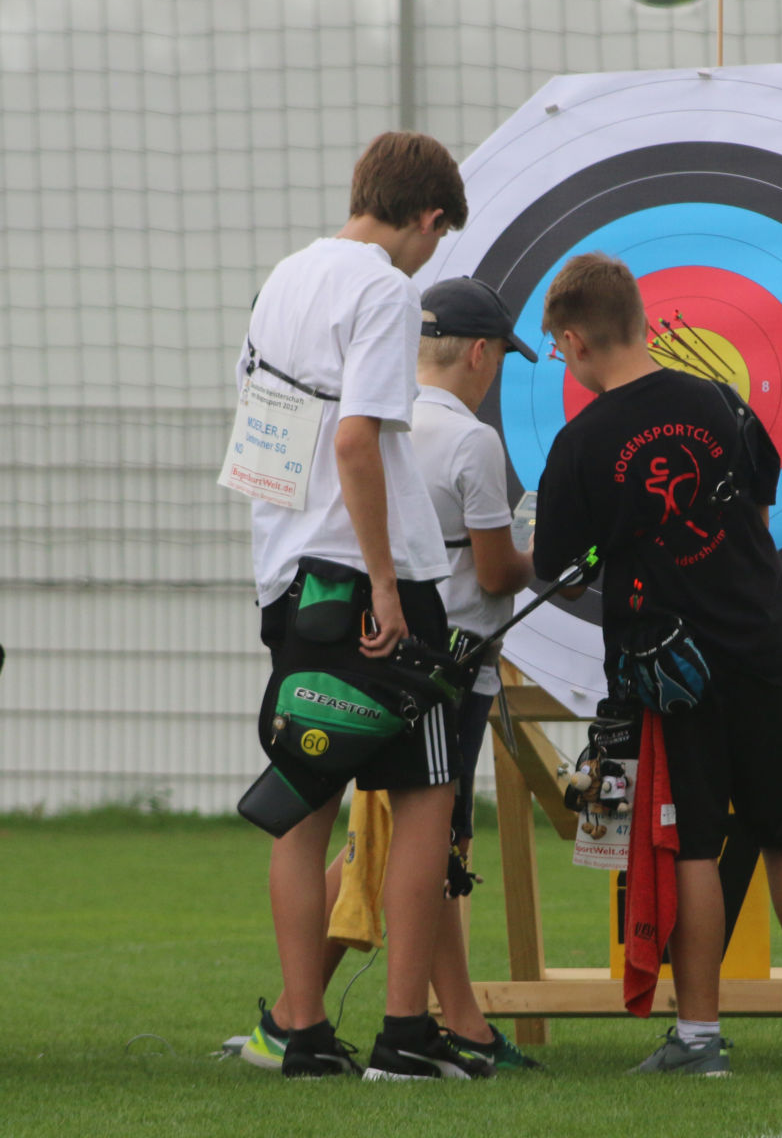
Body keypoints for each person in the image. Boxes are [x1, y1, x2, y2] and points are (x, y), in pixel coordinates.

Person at [531, 252, 782, 1075]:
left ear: (576, 341)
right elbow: (759, 507)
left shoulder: (580, 442)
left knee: (694, 843)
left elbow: (558, 568)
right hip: (763, 643)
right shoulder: (722, 401)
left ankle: (700, 1039)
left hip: (672, 671)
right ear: (641, 321)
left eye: (561, 350)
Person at [234, 130, 494, 1082]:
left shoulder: (286, 276)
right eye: (439, 236)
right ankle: (404, 1034)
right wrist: (386, 583)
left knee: (306, 792)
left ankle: (302, 1031)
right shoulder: (385, 290)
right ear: (426, 218)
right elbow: (355, 442)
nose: (431, 255)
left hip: (291, 574)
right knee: (427, 797)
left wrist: (288, 561)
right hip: (371, 578)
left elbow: (265, 432)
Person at [409, 275, 540, 1067]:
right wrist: (541, 552)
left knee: (393, 841)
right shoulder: (471, 441)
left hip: (390, 661)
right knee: (427, 847)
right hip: (453, 672)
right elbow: (496, 574)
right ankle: (462, 1028)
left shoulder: (386, 420)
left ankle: (296, 1011)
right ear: (481, 354)